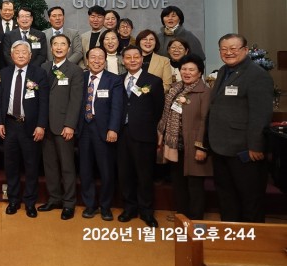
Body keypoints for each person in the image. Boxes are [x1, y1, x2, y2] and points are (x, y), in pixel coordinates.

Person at [208, 33, 274, 223]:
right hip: (221, 147)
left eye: (233, 48)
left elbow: (261, 114)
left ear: (245, 50)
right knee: (226, 196)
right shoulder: (223, 71)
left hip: (244, 149)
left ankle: (252, 237)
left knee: (250, 199)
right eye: (224, 49)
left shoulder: (257, 75)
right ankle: (231, 233)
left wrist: (256, 145)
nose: (228, 52)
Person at [0, 40, 49, 218]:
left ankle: (30, 202)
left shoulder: (39, 73)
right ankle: (13, 200)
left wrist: (41, 125)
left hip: (31, 126)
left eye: (24, 52)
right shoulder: (4, 73)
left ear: (30, 55)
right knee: (11, 165)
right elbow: (0, 99)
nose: (20, 55)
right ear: (11, 55)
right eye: (17, 52)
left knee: (31, 166)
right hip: (10, 125)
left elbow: (44, 102)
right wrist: (0, 122)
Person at [157, 54, 212, 220]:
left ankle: (195, 219)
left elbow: (205, 121)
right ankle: (181, 215)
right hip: (175, 144)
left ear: (200, 72)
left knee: (195, 185)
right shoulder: (175, 88)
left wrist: (201, 147)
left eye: (191, 69)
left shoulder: (204, 92)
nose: (187, 72)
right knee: (178, 182)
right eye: (184, 69)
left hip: (194, 145)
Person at [117, 45, 165, 228]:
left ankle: (146, 211)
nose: (132, 60)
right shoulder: (118, 80)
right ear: (123, 61)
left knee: (144, 175)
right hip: (121, 134)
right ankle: (129, 208)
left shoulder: (153, 81)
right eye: (128, 57)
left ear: (141, 59)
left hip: (144, 135)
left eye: (136, 57)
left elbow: (158, 109)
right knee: (125, 174)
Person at [39, 34, 84, 219]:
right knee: (50, 166)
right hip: (45, 126)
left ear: (68, 48)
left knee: (67, 166)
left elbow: (76, 101)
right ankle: (54, 199)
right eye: (55, 44)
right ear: (51, 48)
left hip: (63, 126)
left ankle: (69, 203)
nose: (58, 47)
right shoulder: (44, 68)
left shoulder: (75, 70)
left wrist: (70, 125)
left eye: (62, 44)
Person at [77, 47, 123, 221]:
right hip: (83, 129)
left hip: (103, 130)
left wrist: (113, 128)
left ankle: (105, 206)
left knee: (106, 170)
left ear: (105, 60)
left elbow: (117, 107)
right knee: (85, 170)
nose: (96, 61)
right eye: (93, 57)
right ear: (87, 60)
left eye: (100, 58)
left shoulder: (114, 80)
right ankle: (90, 205)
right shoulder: (81, 78)